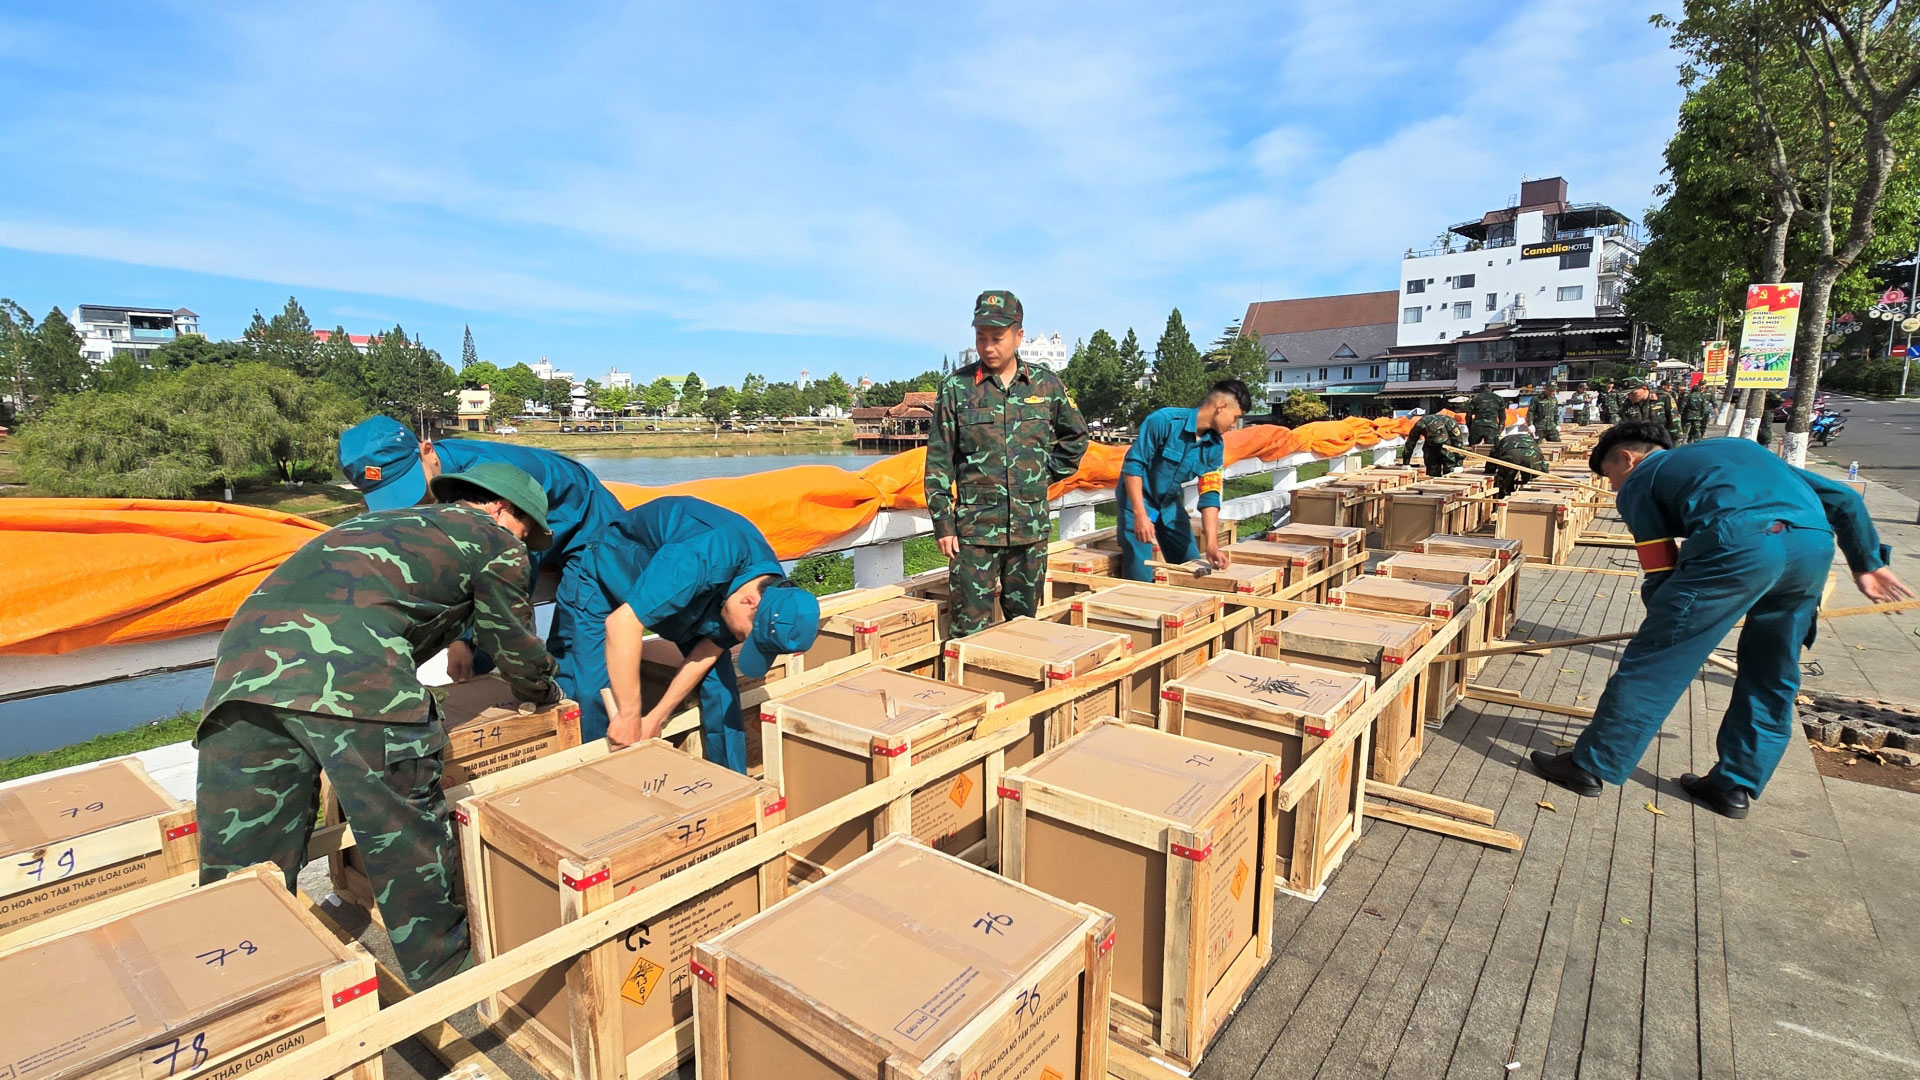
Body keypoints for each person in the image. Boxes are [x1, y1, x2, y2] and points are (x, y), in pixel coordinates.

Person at [196, 463, 561, 988]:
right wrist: (542, 691)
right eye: (528, 531)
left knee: (244, 854)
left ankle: (238, 982)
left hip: (242, 679)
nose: (526, 543)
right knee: (405, 837)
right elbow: (512, 642)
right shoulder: (495, 539)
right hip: (356, 686)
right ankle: (446, 978)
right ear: (503, 509)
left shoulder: (376, 525)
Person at [1530, 422, 1912, 817]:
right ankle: (1733, 785)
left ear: (1628, 458)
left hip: (1737, 546)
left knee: (1656, 664)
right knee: (1772, 671)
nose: (1613, 489)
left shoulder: (1643, 477)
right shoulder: (1742, 450)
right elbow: (1845, 499)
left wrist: (1672, 624)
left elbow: (1659, 567)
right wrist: (1866, 562)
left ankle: (1590, 765)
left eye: (1610, 477)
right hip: (1812, 550)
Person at [339, 416, 626, 737]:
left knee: (577, 649)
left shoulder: (489, 483)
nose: (413, 503)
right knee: (479, 656)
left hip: (586, 527)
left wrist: (462, 641)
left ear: (427, 450)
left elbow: (506, 578)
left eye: (410, 487)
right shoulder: (440, 481)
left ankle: (586, 746)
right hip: (529, 537)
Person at [569, 496, 821, 770]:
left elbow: (707, 652)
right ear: (750, 602)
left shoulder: (769, 583)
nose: (741, 640)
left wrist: (656, 718)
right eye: (747, 635)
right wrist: (630, 715)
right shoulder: (700, 559)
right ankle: (599, 783)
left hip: (688, 591)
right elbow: (623, 624)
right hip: (609, 568)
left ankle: (731, 783)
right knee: (592, 690)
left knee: (720, 686)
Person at [925, 290, 1089, 637]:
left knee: (1024, 628)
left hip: (1029, 531)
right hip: (974, 533)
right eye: (980, 338)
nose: (988, 347)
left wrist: (1041, 476)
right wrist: (943, 523)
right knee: (969, 629)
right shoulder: (956, 388)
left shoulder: (1045, 385)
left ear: (1018, 336)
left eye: (997, 338)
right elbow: (939, 460)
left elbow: (1076, 437)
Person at [1116, 379, 1248, 581]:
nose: (1234, 424)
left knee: (1192, 567)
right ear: (1221, 407)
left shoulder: (1214, 446)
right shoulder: (1163, 421)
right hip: (1137, 501)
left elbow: (1210, 495)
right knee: (1140, 572)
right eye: (1235, 417)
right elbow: (1133, 466)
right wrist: (1140, 515)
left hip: (1169, 504)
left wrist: (1211, 544)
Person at [1399, 397, 1467, 477]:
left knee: (1450, 469)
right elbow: (1410, 443)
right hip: (1430, 447)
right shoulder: (1420, 425)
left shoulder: (1450, 424)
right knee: (1432, 468)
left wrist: (1459, 463)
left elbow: (1458, 443)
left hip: (1447, 446)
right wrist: (1406, 463)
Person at [1484, 430, 1548, 498]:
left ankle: (1504, 495)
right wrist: (1542, 472)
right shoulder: (1531, 440)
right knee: (1530, 478)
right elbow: (1543, 460)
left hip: (1511, 456)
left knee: (1506, 479)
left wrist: (1489, 470)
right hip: (1532, 456)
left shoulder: (1503, 440)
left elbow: (1492, 458)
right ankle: (1526, 494)